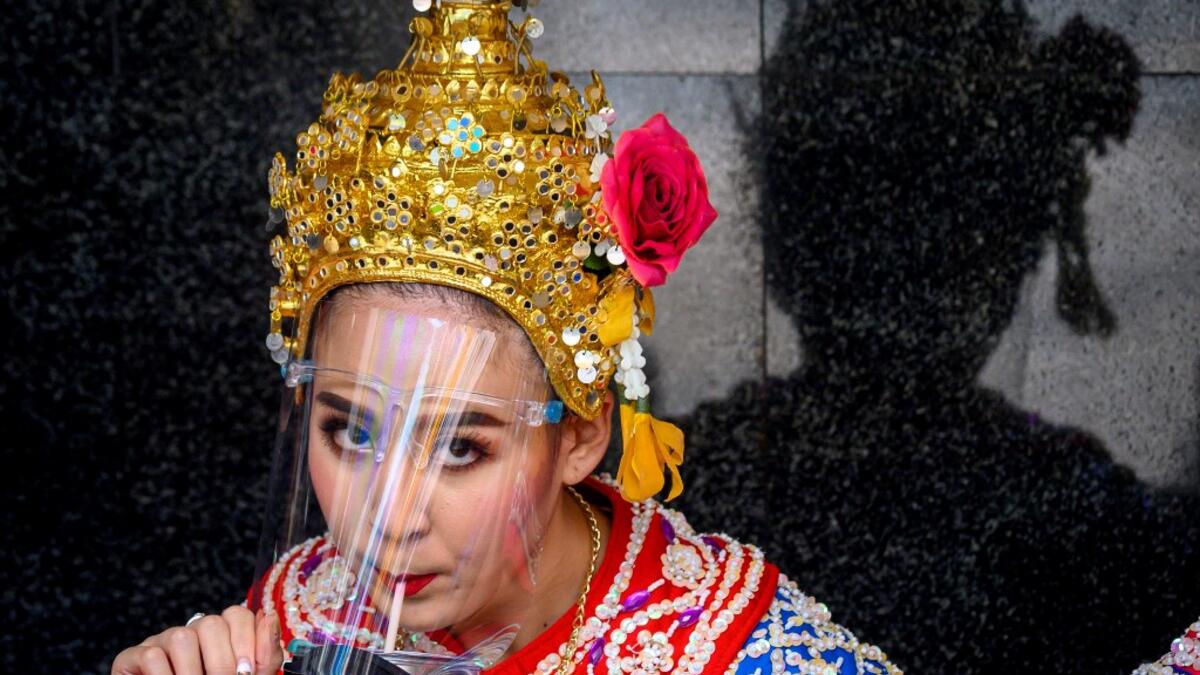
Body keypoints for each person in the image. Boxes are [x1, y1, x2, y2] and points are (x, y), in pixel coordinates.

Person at [111, 2, 902, 674]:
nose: (389, 518)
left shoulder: (741, 653)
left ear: (582, 436)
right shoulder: (300, 611)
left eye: (460, 445)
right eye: (349, 429)